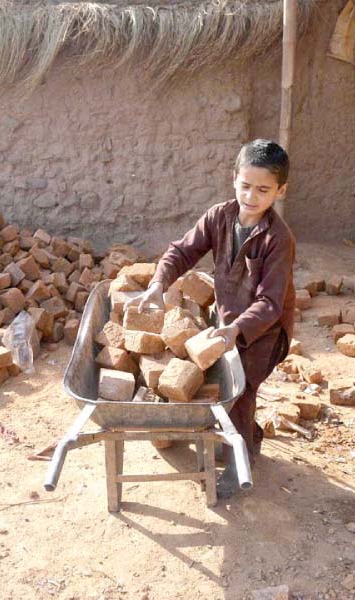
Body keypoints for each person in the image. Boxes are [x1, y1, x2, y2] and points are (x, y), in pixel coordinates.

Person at [126, 139, 296, 498]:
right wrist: (159, 283)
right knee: (224, 388)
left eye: (263, 190)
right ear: (234, 178)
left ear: (280, 191)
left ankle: (240, 464)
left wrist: (236, 329)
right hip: (227, 324)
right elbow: (182, 250)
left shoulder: (278, 239)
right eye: (245, 185)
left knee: (241, 389)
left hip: (262, 332)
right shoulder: (219, 216)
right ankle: (249, 434)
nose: (251, 196)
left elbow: (270, 302)